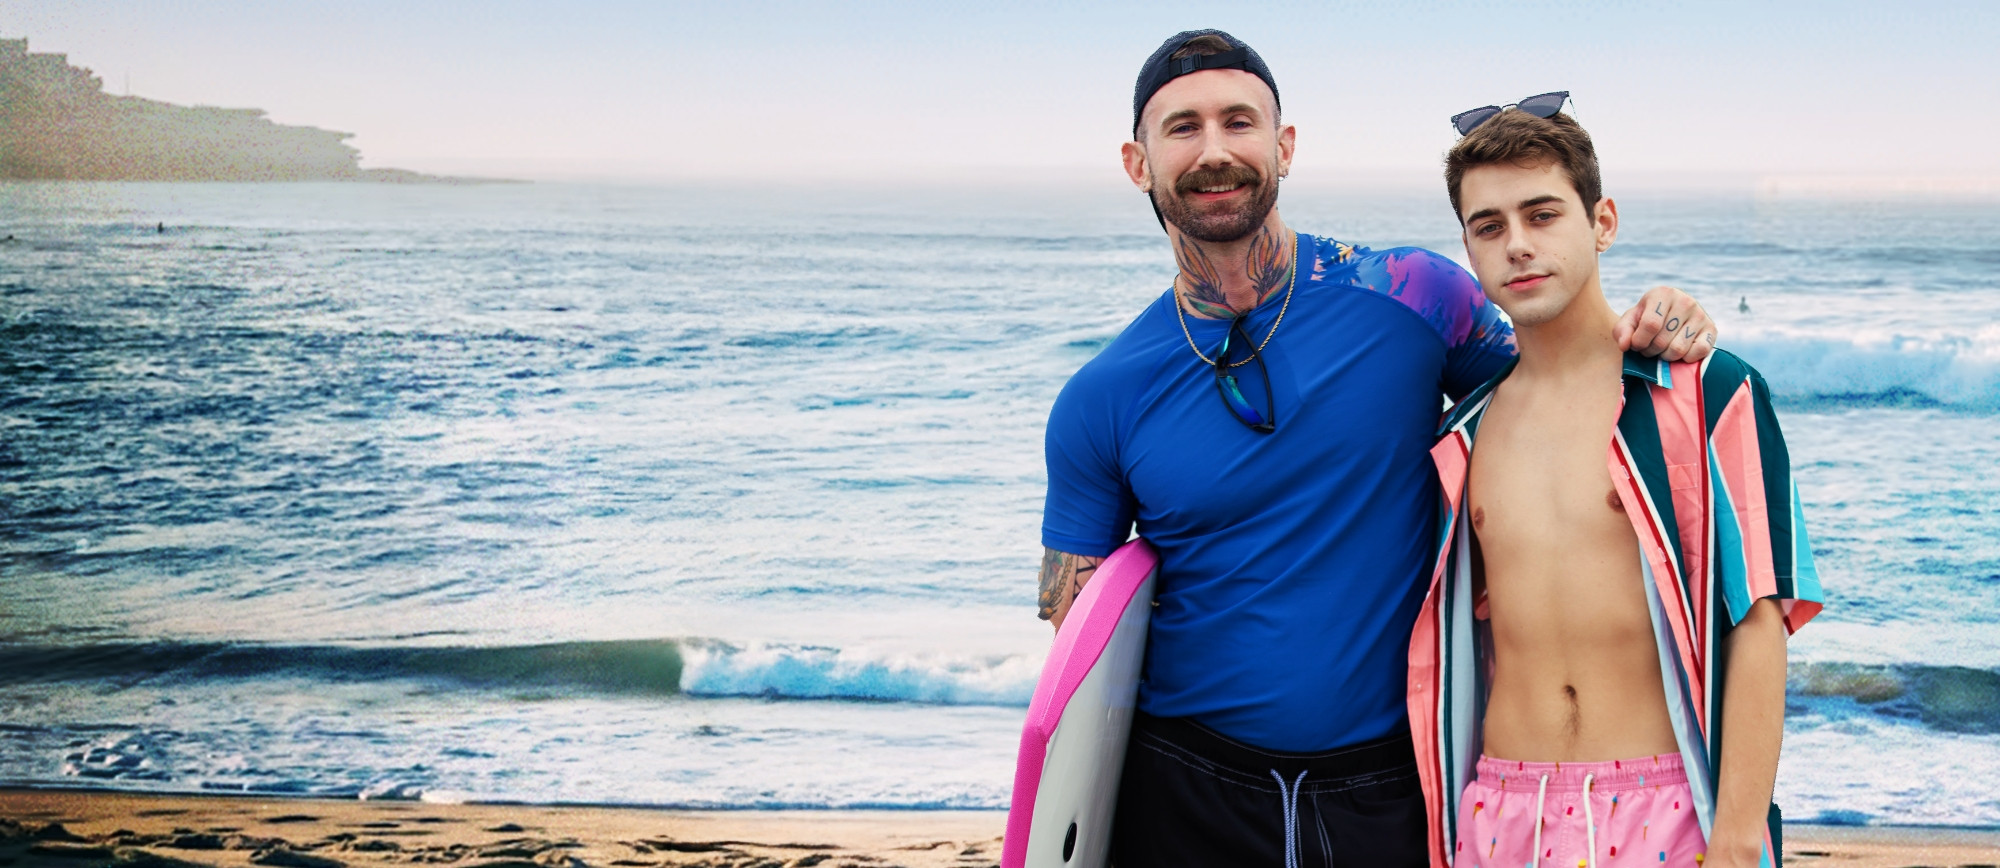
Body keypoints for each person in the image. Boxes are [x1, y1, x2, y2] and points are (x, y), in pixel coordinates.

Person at [1036, 30, 1720, 867]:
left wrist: (1653, 324)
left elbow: (1556, 390)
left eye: (1239, 121)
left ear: (1284, 147)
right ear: (1137, 163)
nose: (1214, 150)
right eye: (1183, 128)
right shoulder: (1102, 397)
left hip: (1390, 786)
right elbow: (1083, 651)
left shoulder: (1413, 297)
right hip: (1187, 790)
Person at [1406, 104, 1825, 868]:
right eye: (1489, 226)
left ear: (1602, 222)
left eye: (1542, 215)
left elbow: (1759, 617)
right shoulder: (1460, 438)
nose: (1518, 244)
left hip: (1666, 812)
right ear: (1468, 248)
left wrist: (1736, 839)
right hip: (1502, 812)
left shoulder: (1705, 393)